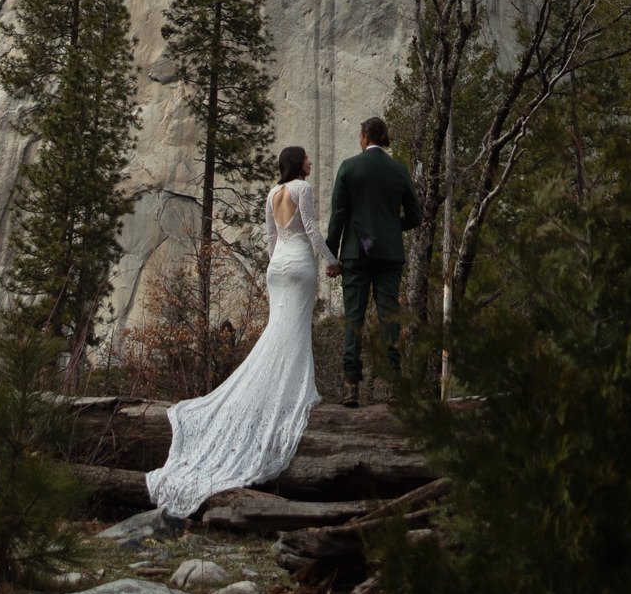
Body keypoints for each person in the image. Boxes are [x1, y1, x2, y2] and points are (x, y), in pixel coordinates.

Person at [145, 142, 335, 520]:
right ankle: (293, 395)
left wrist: (275, 264)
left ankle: (279, 393)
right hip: (299, 265)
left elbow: (269, 238)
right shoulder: (302, 189)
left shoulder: (272, 194)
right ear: (299, 163)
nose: (311, 162)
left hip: (277, 267)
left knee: (277, 331)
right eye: (308, 158)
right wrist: (331, 260)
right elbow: (311, 229)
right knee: (294, 333)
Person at [325, 116, 423, 408]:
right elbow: (416, 217)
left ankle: (350, 387)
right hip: (389, 255)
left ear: (365, 137)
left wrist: (331, 256)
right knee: (389, 318)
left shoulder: (349, 168)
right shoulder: (399, 170)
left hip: (355, 254)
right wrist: (391, 228)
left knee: (353, 319)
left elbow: (337, 217)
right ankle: (394, 385)